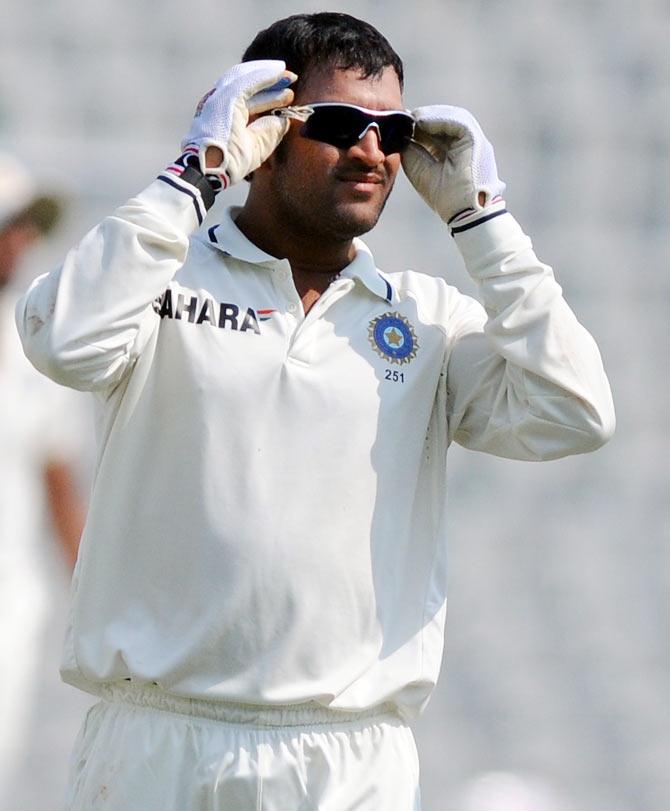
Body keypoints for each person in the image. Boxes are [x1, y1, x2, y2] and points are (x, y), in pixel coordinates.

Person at [15, 12, 615, 811]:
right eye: (338, 124)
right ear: (264, 129)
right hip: (157, 744)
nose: (371, 150)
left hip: (350, 756)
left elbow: (577, 412)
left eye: (391, 130)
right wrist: (194, 173)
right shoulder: (157, 279)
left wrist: (485, 224)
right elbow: (60, 340)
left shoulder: (428, 319)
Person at [0, 153, 88, 807]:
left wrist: (96, 606)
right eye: (11, 223)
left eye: (28, 224)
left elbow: (59, 483)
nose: (23, 240)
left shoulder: (29, 342)